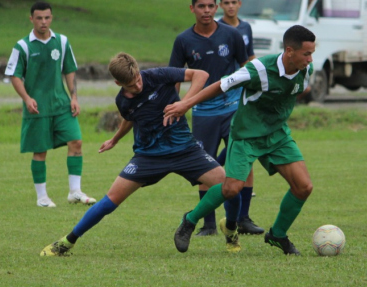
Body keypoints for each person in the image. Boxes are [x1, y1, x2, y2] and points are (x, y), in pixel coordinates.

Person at [40, 52, 242, 256]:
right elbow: (130, 118)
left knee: (229, 185)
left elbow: (201, 75)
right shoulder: (123, 101)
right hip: (149, 156)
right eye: (131, 85)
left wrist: (185, 103)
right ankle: (67, 241)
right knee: (109, 201)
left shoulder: (158, 75)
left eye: (137, 79)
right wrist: (115, 139)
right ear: (118, 82)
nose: (137, 86)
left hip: (185, 149)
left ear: (138, 71)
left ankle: (231, 229)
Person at [166, 25, 316, 256]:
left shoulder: (306, 70)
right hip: (246, 135)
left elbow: (294, 90)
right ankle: (190, 219)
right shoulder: (258, 69)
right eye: (306, 54)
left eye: (312, 53)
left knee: (303, 187)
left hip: (277, 135)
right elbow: (220, 85)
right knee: (231, 189)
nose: (310, 59)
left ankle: (277, 234)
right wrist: (186, 104)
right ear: (289, 51)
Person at [169, 0, 263, 237]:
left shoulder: (232, 35)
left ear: (217, 7)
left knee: (243, 160)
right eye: (201, 6)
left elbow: (247, 68)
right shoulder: (183, 40)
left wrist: (254, 98)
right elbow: (175, 78)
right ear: (192, 9)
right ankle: (208, 224)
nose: (207, 11)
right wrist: (172, 107)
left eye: (211, 6)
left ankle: (243, 219)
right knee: (204, 167)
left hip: (234, 109)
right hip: (203, 113)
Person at [4, 1, 96, 208]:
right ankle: (42, 197)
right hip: (37, 107)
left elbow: (69, 70)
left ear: (51, 18)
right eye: (39, 18)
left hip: (61, 104)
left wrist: (74, 97)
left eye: (47, 17)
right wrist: (27, 99)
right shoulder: (23, 46)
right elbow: (14, 76)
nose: (43, 22)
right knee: (40, 150)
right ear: (31, 19)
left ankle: (75, 192)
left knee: (76, 142)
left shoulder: (62, 42)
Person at [215, 0, 263, 235]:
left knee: (244, 154)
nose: (230, 6)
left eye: (234, 2)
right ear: (220, 5)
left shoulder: (245, 28)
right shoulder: (216, 29)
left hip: (240, 98)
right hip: (218, 97)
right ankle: (210, 219)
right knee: (218, 159)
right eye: (226, 2)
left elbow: (250, 58)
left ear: (240, 4)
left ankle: (243, 217)